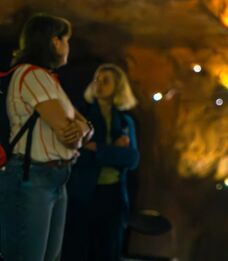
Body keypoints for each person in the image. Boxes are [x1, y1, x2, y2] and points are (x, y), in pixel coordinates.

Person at [0, 14, 92, 261]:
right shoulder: (33, 76)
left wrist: (82, 129)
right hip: (32, 178)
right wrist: (80, 129)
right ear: (53, 41)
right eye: (65, 40)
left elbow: (83, 126)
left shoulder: (48, 79)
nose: (67, 46)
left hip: (52, 178)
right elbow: (68, 134)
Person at [63, 63, 139, 261]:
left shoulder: (125, 121)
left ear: (118, 87)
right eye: (97, 78)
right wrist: (114, 150)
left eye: (106, 80)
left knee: (108, 252)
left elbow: (132, 159)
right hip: (83, 194)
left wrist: (96, 148)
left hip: (113, 197)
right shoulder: (80, 114)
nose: (99, 84)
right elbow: (75, 152)